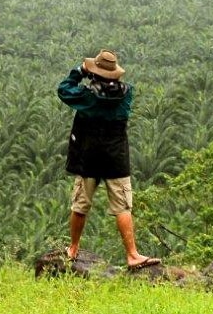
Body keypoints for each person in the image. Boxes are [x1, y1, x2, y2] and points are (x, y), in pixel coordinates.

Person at [57, 49, 160, 270]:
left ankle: (73, 248)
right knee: (122, 207)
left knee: (80, 204)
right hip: (116, 159)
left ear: (95, 73)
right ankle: (132, 254)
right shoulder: (127, 94)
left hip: (88, 157)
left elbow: (64, 90)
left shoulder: (87, 97)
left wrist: (79, 71)